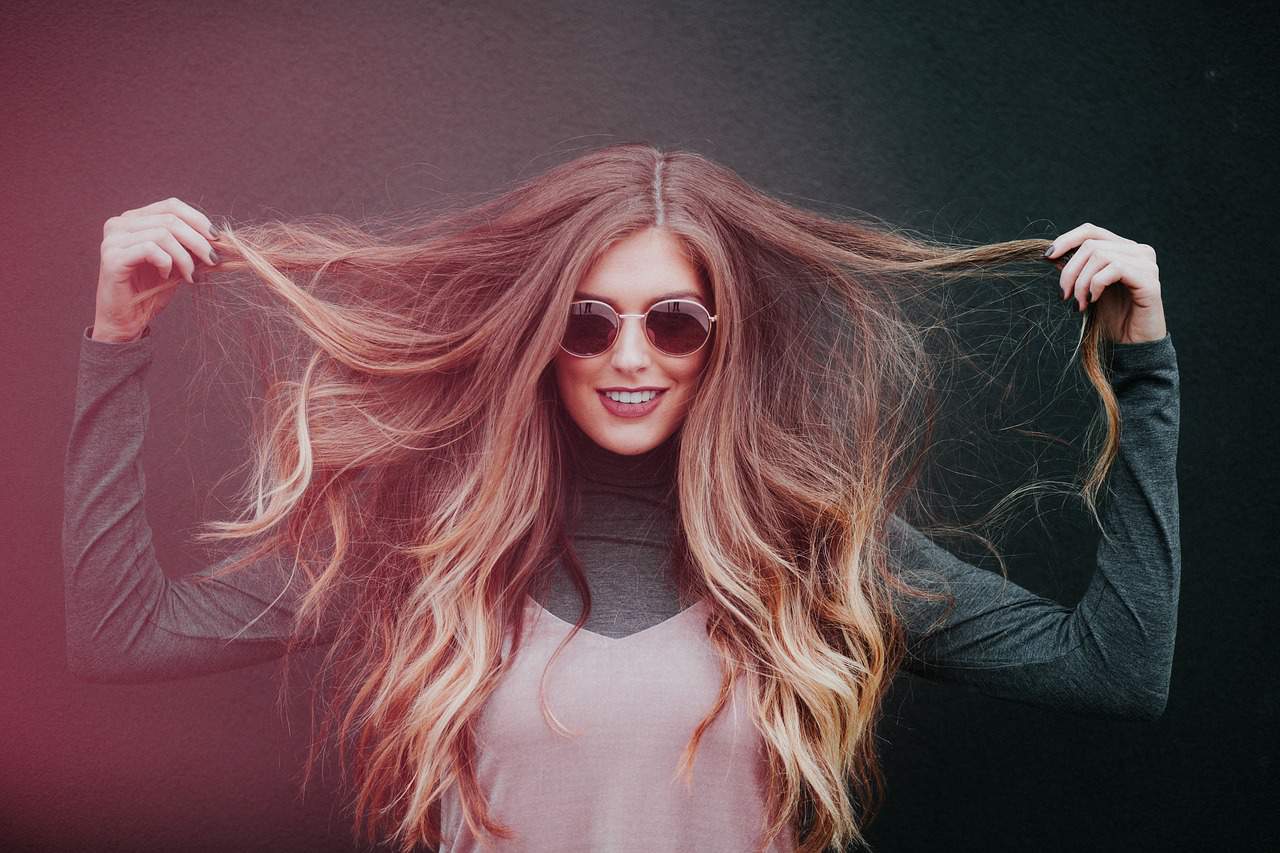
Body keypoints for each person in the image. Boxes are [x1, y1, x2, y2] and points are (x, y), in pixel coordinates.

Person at [63, 144, 1180, 853]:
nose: (628, 355)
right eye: (587, 320)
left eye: (673, 321)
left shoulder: (813, 555)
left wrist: (1144, 366)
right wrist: (119, 341)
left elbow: (1113, 665)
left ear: (716, 339)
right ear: (542, 338)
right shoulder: (429, 545)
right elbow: (121, 636)